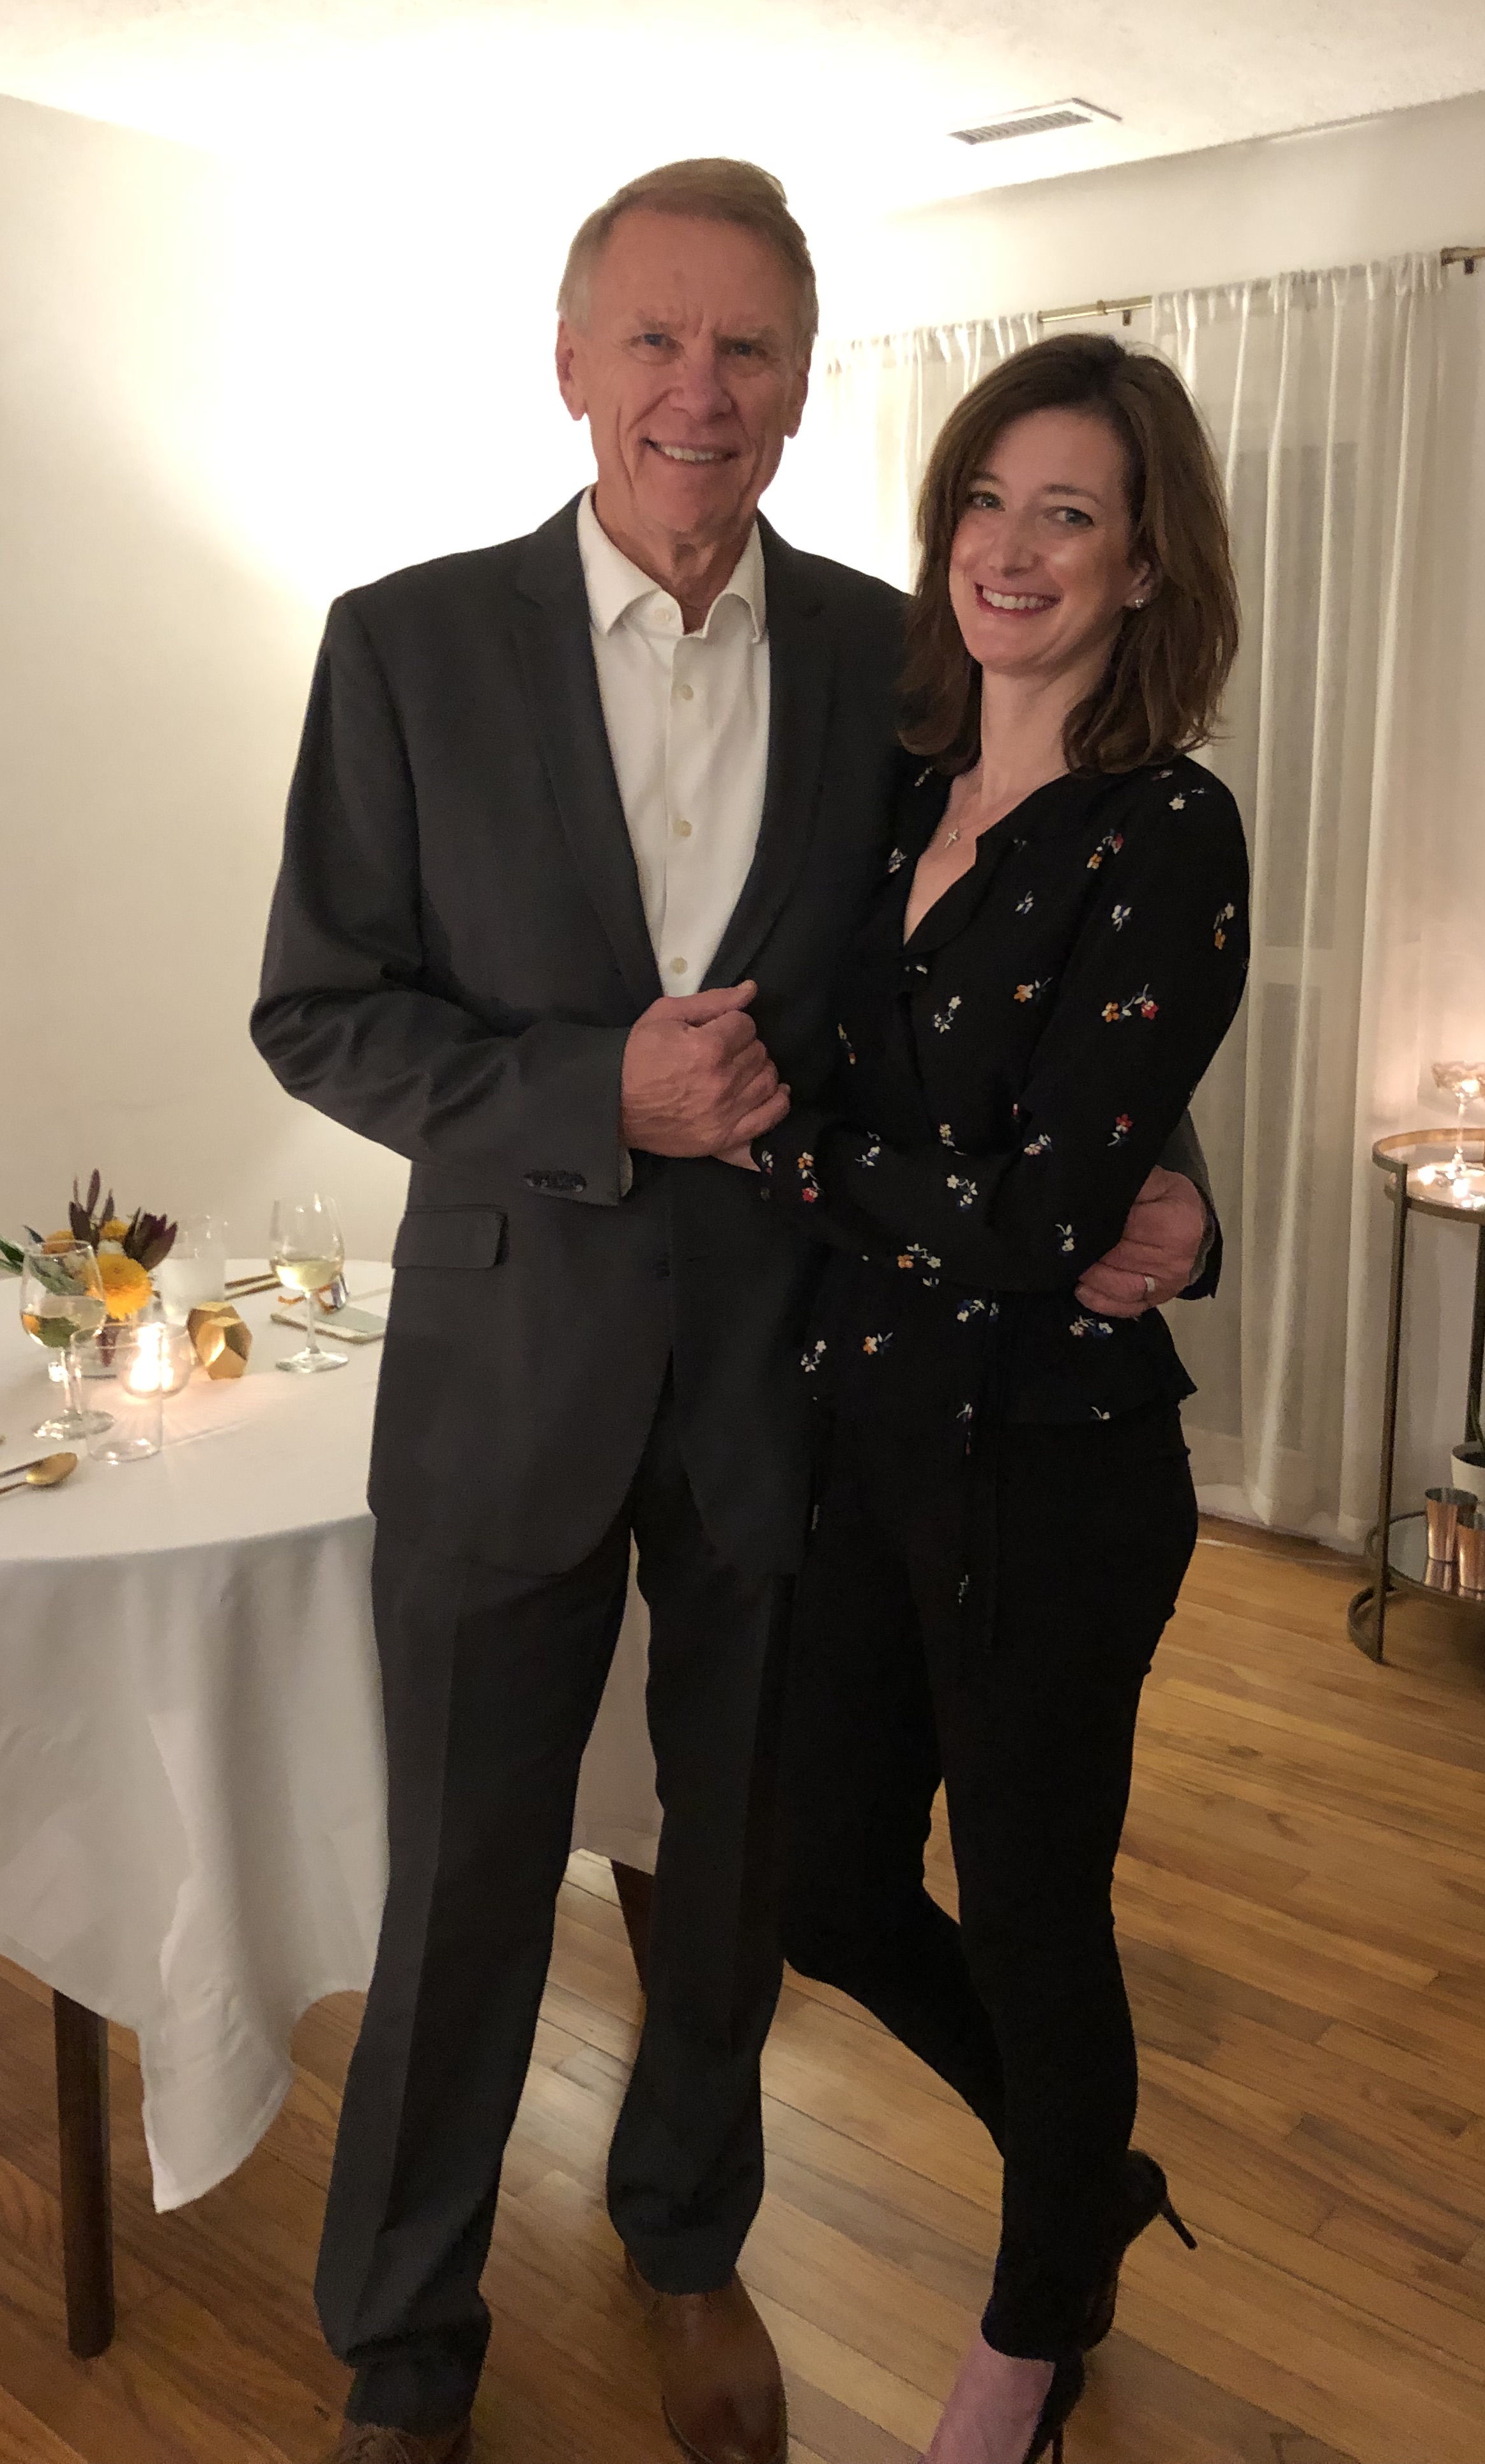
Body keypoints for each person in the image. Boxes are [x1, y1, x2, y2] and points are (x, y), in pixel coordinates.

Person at [251, 162, 1217, 2464]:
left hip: (802, 1378)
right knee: (465, 1880)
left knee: (732, 1877)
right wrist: (597, 1088)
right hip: (505, 1372)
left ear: (800, 386)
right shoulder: (406, 645)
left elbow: (1023, 945)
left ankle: (688, 2241)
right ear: (570, 365)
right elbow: (320, 1014)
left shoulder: (898, 659)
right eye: (656, 340)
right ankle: (404, 2337)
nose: (701, 390)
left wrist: (1168, 1173)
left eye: (750, 348)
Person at [737, 334, 1249, 2464]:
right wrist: (908, 1176)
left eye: (1071, 513)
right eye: (984, 499)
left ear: (1145, 566)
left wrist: (788, 1148)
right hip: (864, 1437)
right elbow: (1000, 1170)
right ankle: (1083, 2177)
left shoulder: (1168, 827)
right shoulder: (892, 797)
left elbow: (1042, 1221)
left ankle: (1031, 2336)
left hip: (1054, 1473)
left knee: (1039, 1920)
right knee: (829, 1893)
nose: (1012, 549)